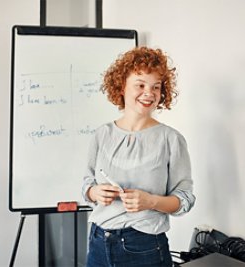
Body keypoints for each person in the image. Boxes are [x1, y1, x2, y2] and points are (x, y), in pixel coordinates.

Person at [82, 46, 195, 267]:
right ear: (121, 86)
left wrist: (151, 201)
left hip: (144, 247)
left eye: (156, 87)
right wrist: (94, 192)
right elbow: (87, 184)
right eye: (140, 85)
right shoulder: (101, 135)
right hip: (97, 243)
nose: (149, 93)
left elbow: (185, 199)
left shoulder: (171, 139)